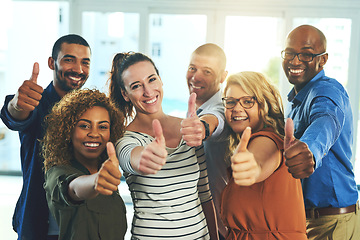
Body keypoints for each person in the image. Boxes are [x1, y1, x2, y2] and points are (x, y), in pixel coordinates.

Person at [109, 52, 218, 239]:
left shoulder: (190, 128)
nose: (148, 92)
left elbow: (204, 194)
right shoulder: (125, 139)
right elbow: (131, 158)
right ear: (125, 94)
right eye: (136, 86)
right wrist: (145, 157)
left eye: (151, 80)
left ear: (160, 81)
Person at [0, 34, 91, 240]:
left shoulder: (91, 110)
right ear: (52, 62)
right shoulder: (36, 103)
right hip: (40, 224)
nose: (78, 69)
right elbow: (15, 116)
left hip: (81, 225)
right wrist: (17, 105)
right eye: (69, 59)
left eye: (85, 62)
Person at [282, 24, 360, 240]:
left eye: (306, 55)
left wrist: (309, 149)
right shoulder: (296, 101)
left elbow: (326, 121)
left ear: (322, 59)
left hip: (335, 224)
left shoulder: (326, 91)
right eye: (289, 53)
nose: (295, 61)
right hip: (310, 221)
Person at [220, 71, 307, 239]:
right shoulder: (252, 140)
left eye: (247, 101)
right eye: (230, 102)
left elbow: (259, 162)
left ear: (264, 105)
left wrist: (252, 168)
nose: (237, 108)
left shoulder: (267, 140)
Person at [42, 89, 127, 240]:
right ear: (68, 130)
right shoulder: (57, 172)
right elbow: (73, 188)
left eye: (102, 127)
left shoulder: (108, 169)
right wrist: (96, 181)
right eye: (84, 126)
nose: (94, 133)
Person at [180, 43, 230, 239]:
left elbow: (216, 121)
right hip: (196, 224)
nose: (196, 77)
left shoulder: (224, 108)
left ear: (223, 76)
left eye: (207, 71)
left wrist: (202, 128)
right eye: (192, 68)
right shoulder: (194, 106)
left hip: (219, 228)